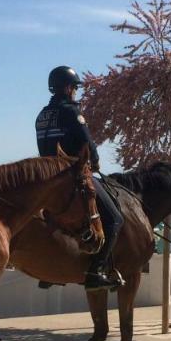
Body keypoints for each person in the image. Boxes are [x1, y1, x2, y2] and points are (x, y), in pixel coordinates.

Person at [35, 65, 122, 291]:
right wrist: (95, 162)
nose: (75, 92)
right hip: (71, 176)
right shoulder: (72, 112)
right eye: (74, 87)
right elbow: (87, 144)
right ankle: (96, 271)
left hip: (47, 179)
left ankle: (48, 272)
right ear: (67, 88)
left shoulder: (42, 116)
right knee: (114, 219)